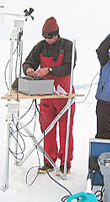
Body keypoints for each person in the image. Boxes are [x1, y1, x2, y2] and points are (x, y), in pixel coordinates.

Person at [23, 16, 76, 174]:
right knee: (47, 129)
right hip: (46, 95)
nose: (48, 40)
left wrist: (49, 70)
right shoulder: (40, 46)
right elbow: (28, 61)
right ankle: (49, 161)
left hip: (64, 95)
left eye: (50, 37)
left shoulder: (68, 46)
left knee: (65, 130)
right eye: (45, 37)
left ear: (57, 34)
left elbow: (68, 67)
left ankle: (65, 163)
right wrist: (29, 70)